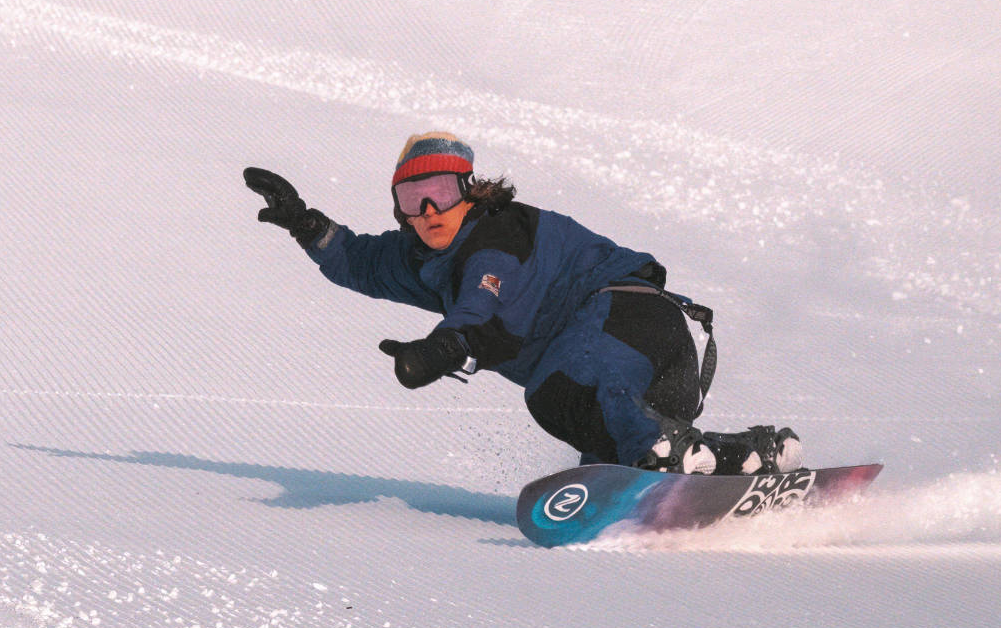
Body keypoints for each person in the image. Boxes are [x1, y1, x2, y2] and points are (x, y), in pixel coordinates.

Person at [243, 133, 800, 475]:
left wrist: (444, 347)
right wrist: (303, 222)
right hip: (645, 385)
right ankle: (743, 458)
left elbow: (482, 305)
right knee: (613, 460)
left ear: (472, 189)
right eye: (412, 198)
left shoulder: (499, 236)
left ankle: (662, 449)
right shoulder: (424, 256)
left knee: (556, 390)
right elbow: (360, 263)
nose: (430, 208)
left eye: (442, 189)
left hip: (629, 328)